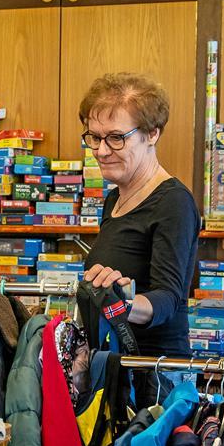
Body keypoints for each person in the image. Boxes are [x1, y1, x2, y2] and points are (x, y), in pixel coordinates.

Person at [79, 72, 199, 366]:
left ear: (152, 133)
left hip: (156, 373)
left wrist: (121, 302)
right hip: (116, 365)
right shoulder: (114, 199)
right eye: (95, 137)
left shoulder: (174, 202)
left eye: (116, 138)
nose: (101, 151)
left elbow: (168, 299)